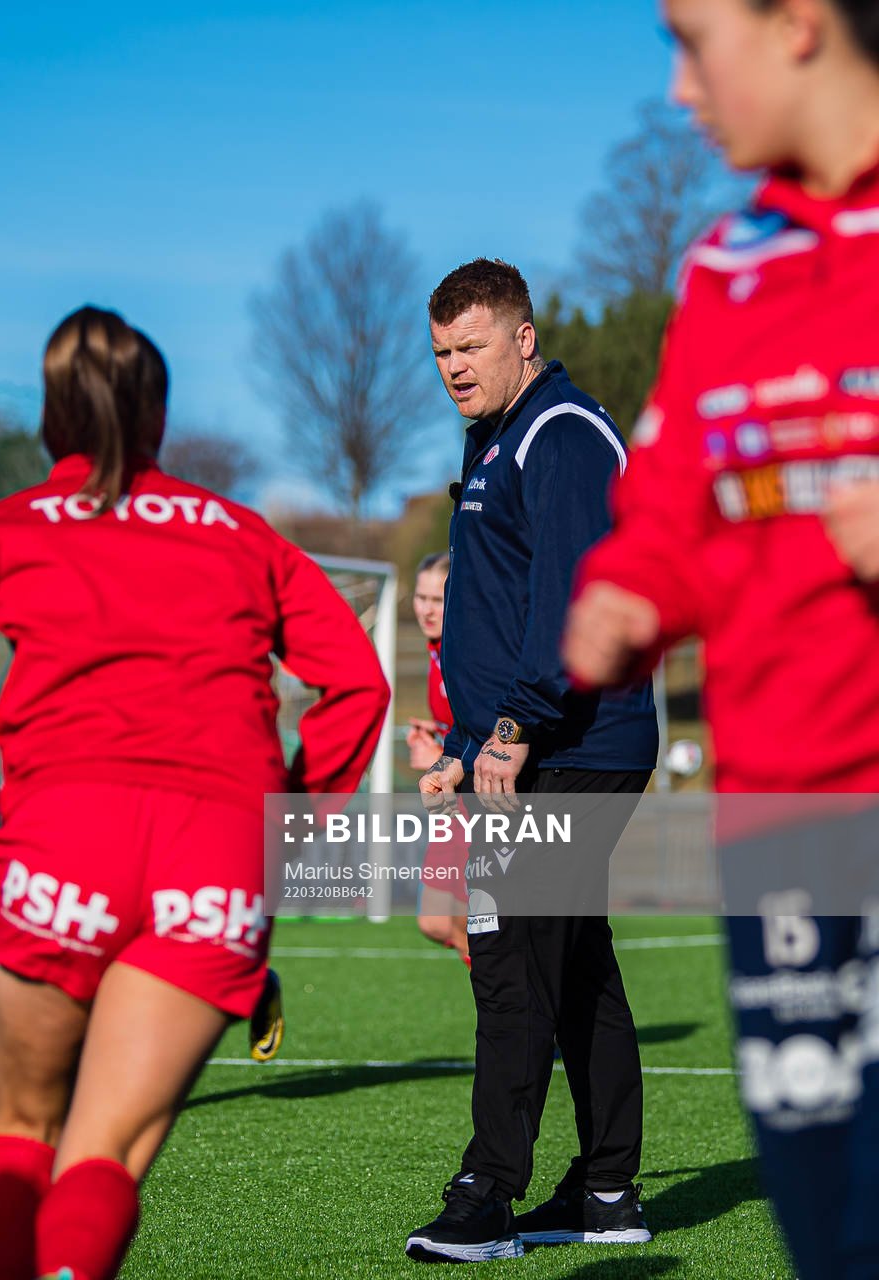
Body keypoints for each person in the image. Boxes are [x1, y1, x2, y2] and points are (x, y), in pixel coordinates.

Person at [0, 306, 390, 1280]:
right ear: (156, 414)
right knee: (102, 1154)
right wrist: (287, 822)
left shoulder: (8, 527)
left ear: (49, 417)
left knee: (24, 1138)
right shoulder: (243, 533)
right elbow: (355, 680)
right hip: (219, 848)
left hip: (68, 837)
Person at [562, 4, 879, 1277]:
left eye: (694, 42)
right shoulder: (724, 262)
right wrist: (630, 589)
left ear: (797, 22)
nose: (683, 91)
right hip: (786, 816)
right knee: (827, 1206)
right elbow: (676, 497)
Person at [405, 259, 659, 1264]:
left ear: (522, 336)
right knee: (578, 966)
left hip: (574, 742)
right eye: (440, 354)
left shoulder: (561, 434)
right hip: (525, 745)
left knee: (506, 955)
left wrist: (510, 727)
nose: (454, 369)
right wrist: (467, 751)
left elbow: (573, 593)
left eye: (470, 347)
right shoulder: (491, 439)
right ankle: (605, 1191)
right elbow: (495, 608)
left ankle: (486, 1194)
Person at [409, 551, 469, 962]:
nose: (428, 609)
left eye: (438, 599)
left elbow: (488, 729)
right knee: (434, 920)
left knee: (474, 924)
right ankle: (518, 1016)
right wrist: (437, 738)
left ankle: (522, 1019)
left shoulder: (464, 650)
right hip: (450, 800)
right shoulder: (435, 648)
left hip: (475, 798)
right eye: (421, 597)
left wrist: (438, 755)